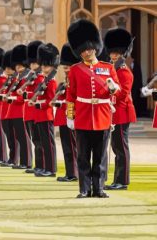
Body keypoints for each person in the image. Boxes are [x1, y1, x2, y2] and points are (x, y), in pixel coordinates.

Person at [66, 19, 120, 198]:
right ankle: (84, 189)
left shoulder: (107, 68)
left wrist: (113, 88)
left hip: (102, 115)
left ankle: (98, 188)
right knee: (82, 156)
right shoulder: (75, 70)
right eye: (83, 50)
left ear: (95, 47)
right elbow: (71, 95)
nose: (86, 52)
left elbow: (117, 92)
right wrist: (70, 116)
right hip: (82, 116)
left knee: (100, 156)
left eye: (89, 48)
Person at [103, 28, 137, 191]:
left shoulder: (124, 72)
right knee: (117, 147)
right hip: (113, 114)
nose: (113, 55)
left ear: (123, 53)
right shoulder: (113, 70)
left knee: (121, 148)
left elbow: (122, 94)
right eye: (112, 52)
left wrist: (111, 90)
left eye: (117, 53)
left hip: (122, 113)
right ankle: (118, 179)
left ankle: (122, 181)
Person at [30, 43, 59, 177]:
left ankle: (51, 169)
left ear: (52, 65)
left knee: (49, 144)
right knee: (42, 143)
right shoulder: (45, 81)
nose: (43, 68)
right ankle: (45, 167)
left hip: (46, 115)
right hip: (39, 116)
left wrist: (38, 104)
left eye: (46, 65)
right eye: (42, 65)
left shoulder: (52, 82)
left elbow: (51, 100)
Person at [17, 40, 45, 174]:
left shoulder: (40, 78)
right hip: (29, 112)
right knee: (35, 141)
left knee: (39, 141)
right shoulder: (31, 76)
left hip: (36, 112)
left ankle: (42, 165)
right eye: (32, 63)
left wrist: (25, 93)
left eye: (35, 63)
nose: (33, 65)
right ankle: (38, 165)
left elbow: (37, 94)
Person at [52, 43, 79, 182]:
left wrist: (70, 114)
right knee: (67, 147)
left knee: (73, 146)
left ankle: (74, 173)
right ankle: (70, 172)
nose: (65, 69)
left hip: (72, 117)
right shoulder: (66, 80)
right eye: (65, 67)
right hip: (64, 117)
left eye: (67, 66)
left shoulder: (76, 79)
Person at [5, 45, 32, 169]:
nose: (17, 67)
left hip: (21, 111)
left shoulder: (26, 78)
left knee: (24, 138)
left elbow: (24, 96)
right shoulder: (18, 78)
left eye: (20, 64)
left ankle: (27, 162)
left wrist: (14, 98)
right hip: (14, 111)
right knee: (19, 138)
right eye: (16, 65)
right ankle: (22, 161)